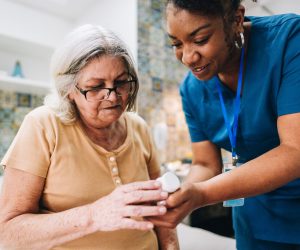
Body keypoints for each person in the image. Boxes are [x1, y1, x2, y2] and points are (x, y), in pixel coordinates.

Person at [0, 24, 179, 250]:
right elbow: (8, 232)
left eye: (122, 82)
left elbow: (161, 209)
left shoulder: (139, 127)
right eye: (95, 87)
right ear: (69, 90)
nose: (112, 96)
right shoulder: (43, 126)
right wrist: (94, 215)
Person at [149, 0, 300, 249]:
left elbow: (295, 151)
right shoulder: (191, 89)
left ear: (236, 20)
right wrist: (181, 194)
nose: (187, 57)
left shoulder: (288, 41)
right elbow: (205, 163)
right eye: (176, 44)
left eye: (200, 39)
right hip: (253, 217)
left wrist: (202, 194)